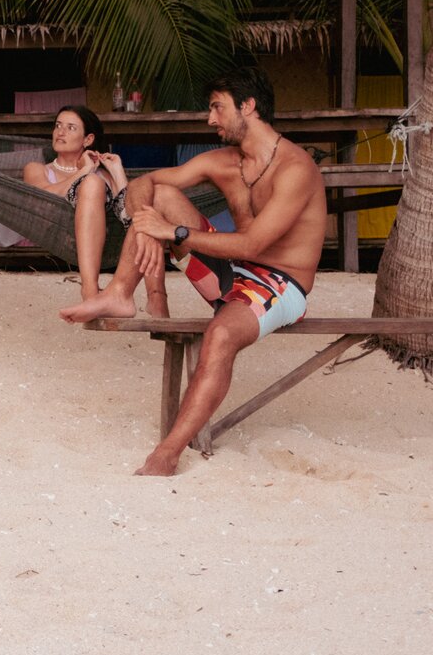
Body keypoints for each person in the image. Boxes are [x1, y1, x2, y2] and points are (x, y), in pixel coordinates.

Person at [61, 69, 326, 475]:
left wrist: (172, 232)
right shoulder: (223, 162)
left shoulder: (295, 169)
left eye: (217, 107)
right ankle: (120, 292)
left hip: (278, 284)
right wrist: (146, 227)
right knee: (160, 195)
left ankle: (166, 455)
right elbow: (143, 183)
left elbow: (253, 245)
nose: (210, 119)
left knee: (219, 334)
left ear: (248, 106)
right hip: (232, 272)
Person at [21, 105, 167, 314]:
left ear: (88, 140)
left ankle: (156, 297)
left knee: (150, 201)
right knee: (92, 183)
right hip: (61, 233)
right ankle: (90, 292)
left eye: (70, 128)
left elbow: (130, 216)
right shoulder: (36, 169)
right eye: (58, 126)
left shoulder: (103, 175)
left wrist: (117, 174)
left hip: (109, 238)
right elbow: (45, 198)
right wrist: (84, 172)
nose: (60, 132)